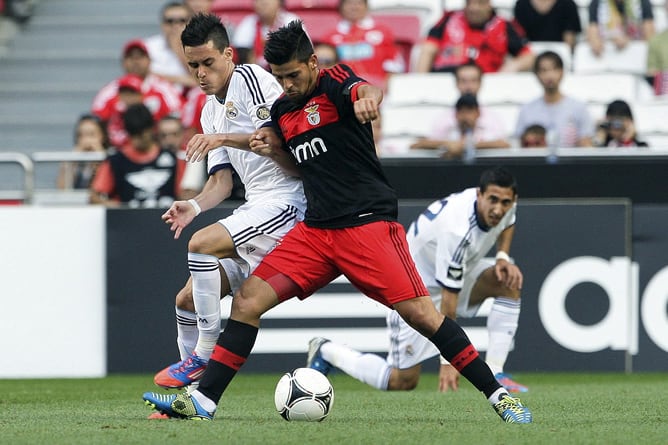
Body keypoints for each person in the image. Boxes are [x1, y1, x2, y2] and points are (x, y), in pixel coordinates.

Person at [143, 19, 533, 424]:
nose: (288, 84)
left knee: (422, 316)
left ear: (312, 63)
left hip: (367, 226)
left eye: (293, 75)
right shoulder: (282, 109)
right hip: (316, 232)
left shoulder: (336, 83)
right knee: (247, 301)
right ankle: (203, 402)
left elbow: (366, 90)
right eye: (280, 77)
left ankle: (499, 396)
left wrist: (369, 99)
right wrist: (243, 142)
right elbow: (270, 142)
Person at [147, 14, 306, 400]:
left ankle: (204, 353)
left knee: (201, 245)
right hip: (258, 206)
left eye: (208, 63)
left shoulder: (250, 80)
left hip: (288, 200)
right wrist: (194, 206)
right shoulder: (208, 110)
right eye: (193, 66)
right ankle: (193, 397)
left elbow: (276, 142)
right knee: (185, 299)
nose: (200, 74)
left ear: (229, 55)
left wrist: (221, 138)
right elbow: (222, 182)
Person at [306, 166, 528, 394]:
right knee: (402, 381)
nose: (498, 209)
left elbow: (508, 221)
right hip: (414, 289)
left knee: (508, 282)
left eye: (505, 202)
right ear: (479, 194)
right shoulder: (457, 229)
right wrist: (450, 361)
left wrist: (502, 256)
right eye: (493, 200)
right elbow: (448, 305)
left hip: (455, 272)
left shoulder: (505, 205)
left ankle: (496, 372)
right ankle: (328, 351)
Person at [91, 39, 183, 148]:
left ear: (149, 61)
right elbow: (96, 122)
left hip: (156, 152)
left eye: (140, 57)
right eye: (131, 57)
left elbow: (178, 118)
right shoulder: (109, 91)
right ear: (123, 62)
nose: (136, 61)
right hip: (117, 152)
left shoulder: (165, 90)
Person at [90, 103, 183, 208]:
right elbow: (94, 197)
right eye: (133, 135)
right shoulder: (116, 161)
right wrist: (119, 208)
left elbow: (184, 194)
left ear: (151, 129)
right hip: (128, 221)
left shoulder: (171, 158)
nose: (137, 140)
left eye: (142, 134)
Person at [415, 0, 534, 74]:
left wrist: (508, 70)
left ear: (489, 4)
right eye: (469, 2)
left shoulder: (504, 25)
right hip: (444, 79)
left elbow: (528, 56)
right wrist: (422, 82)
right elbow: (428, 49)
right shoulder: (449, 18)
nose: (473, 8)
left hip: (482, 83)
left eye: (480, 3)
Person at [515, 51, 594, 148]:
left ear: (562, 72)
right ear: (536, 75)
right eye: (544, 70)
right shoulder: (526, 110)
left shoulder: (579, 108)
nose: (549, 75)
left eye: (554, 69)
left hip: (571, 162)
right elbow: (521, 146)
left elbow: (586, 146)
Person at [320, 0, 405, 90]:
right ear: (341, 7)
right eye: (349, 3)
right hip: (342, 89)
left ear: (366, 6)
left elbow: (394, 64)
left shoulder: (383, 32)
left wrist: (386, 85)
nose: (354, 7)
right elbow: (324, 67)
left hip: (377, 88)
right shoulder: (330, 36)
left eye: (359, 3)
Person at [410, 94, 510, 159]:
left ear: (478, 113)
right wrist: (447, 144)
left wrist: (467, 145)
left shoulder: (486, 130)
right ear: (456, 114)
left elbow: (504, 145)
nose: (465, 116)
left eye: (469, 111)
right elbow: (416, 145)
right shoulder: (448, 130)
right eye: (462, 112)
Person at [144, 2, 197, 94]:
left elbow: (200, 80)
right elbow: (139, 75)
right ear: (162, 24)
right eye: (170, 21)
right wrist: (185, 81)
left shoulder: (199, 47)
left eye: (182, 20)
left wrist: (178, 48)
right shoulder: (148, 46)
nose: (176, 26)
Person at [232, 0, 299, 70]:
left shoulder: (291, 21)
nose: (263, 2)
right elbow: (240, 56)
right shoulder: (247, 23)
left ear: (280, 2)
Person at [56, 114, 110, 190]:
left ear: (102, 136)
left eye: (91, 135)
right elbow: (61, 188)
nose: (86, 140)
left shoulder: (110, 158)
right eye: (81, 135)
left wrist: (99, 157)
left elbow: (104, 186)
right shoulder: (72, 159)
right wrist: (73, 159)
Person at [586, 0, 654, 57]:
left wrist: (628, 39)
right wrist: (612, 38)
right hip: (607, 59)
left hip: (636, 57)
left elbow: (650, 38)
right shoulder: (596, 3)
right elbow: (593, 38)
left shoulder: (643, 2)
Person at [513, 0, 582, 51]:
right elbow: (520, 37)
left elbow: (569, 40)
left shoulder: (568, 4)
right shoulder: (521, 4)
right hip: (530, 54)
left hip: (559, 53)